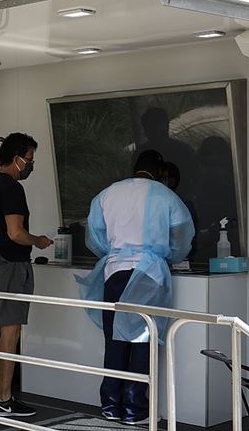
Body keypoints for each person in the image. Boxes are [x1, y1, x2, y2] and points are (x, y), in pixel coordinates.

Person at [76, 150, 194, 424]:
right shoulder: (166, 196)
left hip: (114, 271)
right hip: (149, 273)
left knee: (114, 340)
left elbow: (94, 236)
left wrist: (115, 252)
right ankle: (135, 410)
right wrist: (171, 256)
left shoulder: (108, 194)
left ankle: (110, 406)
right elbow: (182, 237)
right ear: (160, 172)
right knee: (143, 340)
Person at [0, 132, 53, 418]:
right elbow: (15, 233)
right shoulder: (11, 188)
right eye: (30, 159)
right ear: (17, 158)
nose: (31, 164)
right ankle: (4, 399)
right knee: (11, 330)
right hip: (10, 265)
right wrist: (38, 241)